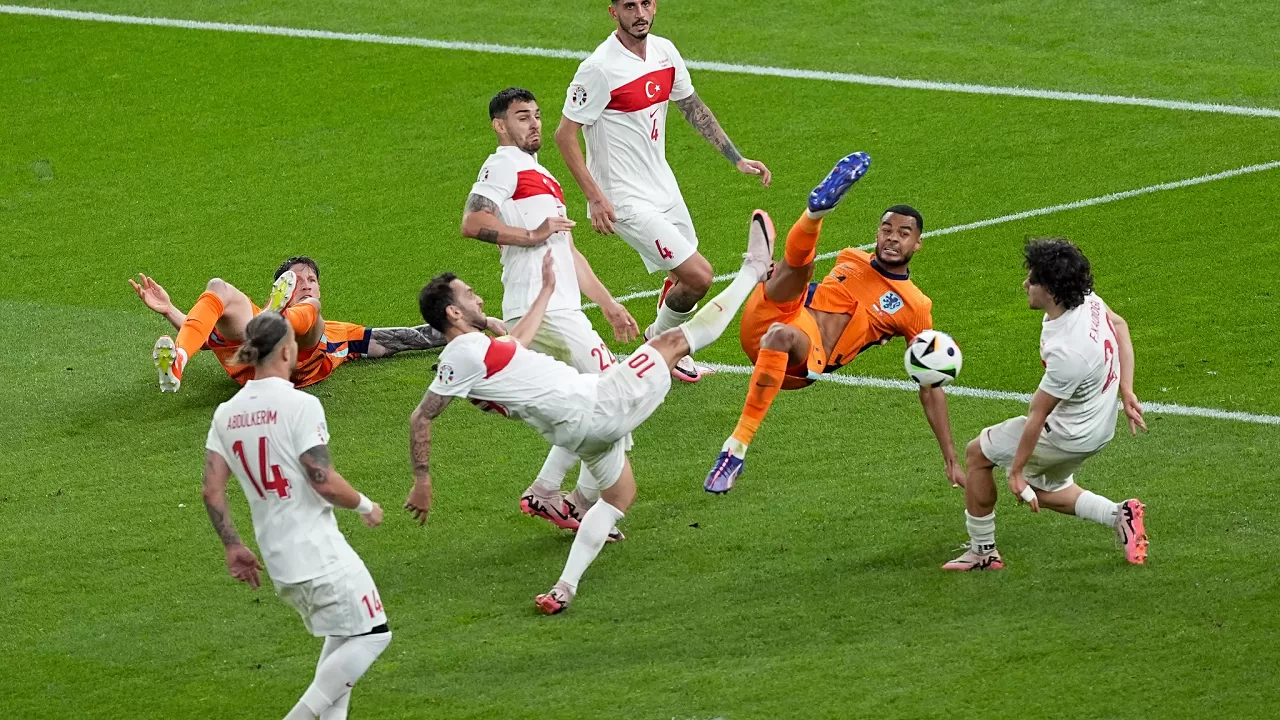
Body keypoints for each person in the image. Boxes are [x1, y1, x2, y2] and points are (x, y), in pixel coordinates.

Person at [404, 210, 776, 614]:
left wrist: (539, 295)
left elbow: (509, 347)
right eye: (468, 294)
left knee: (619, 496)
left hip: (578, 436)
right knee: (672, 342)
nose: (477, 297)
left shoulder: (469, 357)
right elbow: (428, 410)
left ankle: (563, 588)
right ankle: (753, 270)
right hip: (598, 403)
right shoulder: (466, 352)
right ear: (453, 313)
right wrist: (421, 480)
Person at [704, 152, 965, 493]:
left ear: (917, 243)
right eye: (886, 230)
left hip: (803, 357)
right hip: (769, 319)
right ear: (877, 233)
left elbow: (930, 387)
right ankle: (813, 215)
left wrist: (950, 458)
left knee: (784, 326)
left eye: (904, 233)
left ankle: (735, 450)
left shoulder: (915, 305)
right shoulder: (851, 257)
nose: (892, 238)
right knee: (798, 273)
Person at [554, 0, 771, 384]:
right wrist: (595, 197)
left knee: (683, 278)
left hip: (663, 186)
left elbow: (691, 106)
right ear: (613, 12)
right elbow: (564, 135)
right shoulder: (599, 69)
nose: (639, 13)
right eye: (629, 5)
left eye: (646, 3)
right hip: (623, 198)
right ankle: (663, 345)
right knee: (700, 276)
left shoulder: (665, 52)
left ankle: (661, 340)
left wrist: (736, 158)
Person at [463, 87, 639, 535]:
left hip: (561, 308)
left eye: (538, 115)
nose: (535, 124)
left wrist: (608, 304)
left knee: (591, 404)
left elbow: (568, 250)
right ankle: (570, 499)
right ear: (500, 126)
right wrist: (531, 235)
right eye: (522, 117)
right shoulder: (502, 165)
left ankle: (554, 494)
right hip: (540, 308)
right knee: (616, 397)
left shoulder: (544, 176)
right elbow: (474, 222)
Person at [201, 311, 391, 719]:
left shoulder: (226, 414)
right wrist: (365, 504)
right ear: (288, 350)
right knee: (374, 635)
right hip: (318, 552)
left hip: (279, 560)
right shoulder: (301, 405)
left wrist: (233, 546)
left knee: (344, 636)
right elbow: (322, 480)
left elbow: (211, 490)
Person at [944, 238, 1148, 570]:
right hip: (1098, 425)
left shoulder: (1069, 352)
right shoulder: (1088, 300)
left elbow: (1037, 415)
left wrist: (1016, 472)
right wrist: (1127, 390)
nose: (1025, 284)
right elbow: (1121, 325)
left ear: (1051, 290)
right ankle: (1118, 515)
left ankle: (983, 553)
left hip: (1066, 434)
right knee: (1042, 489)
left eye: (1033, 280)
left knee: (977, 454)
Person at [130, 256, 503, 392]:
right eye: (297, 279)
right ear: (280, 287)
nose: (307, 283)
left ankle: (276, 322)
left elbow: (409, 338)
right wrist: (169, 310)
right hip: (257, 354)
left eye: (311, 279)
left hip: (294, 357)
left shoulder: (341, 332)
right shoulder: (256, 318)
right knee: (218, 288)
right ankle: (178, 361)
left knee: (310, 311)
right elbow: (207, 333)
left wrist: (477, 325)